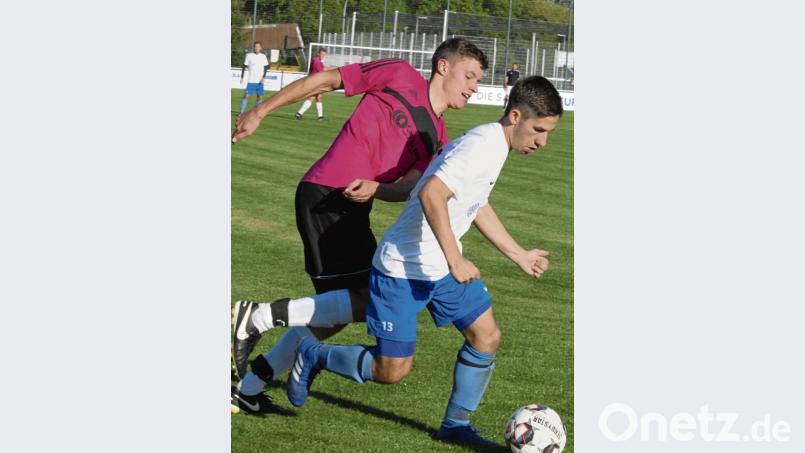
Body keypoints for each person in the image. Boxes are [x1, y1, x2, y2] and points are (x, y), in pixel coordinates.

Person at [284, 76, 563, 449]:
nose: (542, 141)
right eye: (539, 129)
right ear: (515, 116)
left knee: (486, 336)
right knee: (392, 370)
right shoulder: (482, 146)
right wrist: (454, 258)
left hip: (440, 269)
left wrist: (518, 254)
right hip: (403, 268)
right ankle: (313, 354)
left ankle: (455, 425)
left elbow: (475, 202)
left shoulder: (495, 148)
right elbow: (432, 194)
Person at [230, 39, 489, 413]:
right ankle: (256, 316)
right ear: (443, 67)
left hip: (350, 208)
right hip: (326, 192)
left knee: (334, 314)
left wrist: (378, 188)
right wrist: (261, 111)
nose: (474, 86)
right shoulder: (399, 74)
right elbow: (324, 82)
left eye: (478, 80)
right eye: (469, 75)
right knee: (365, 299)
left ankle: (248, 390)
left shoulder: (438, 139)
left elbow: (410, 188)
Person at [296, 48, 327, 121]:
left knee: (316, 97)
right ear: (318, 54)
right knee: (316, 97)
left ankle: (300, 113)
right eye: (322, 54)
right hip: (315, 82)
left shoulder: (317, 61)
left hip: (315, 82)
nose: (323, 56)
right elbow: (322, 72)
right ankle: (319, 116)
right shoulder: (317, 62)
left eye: (324, 55)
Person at [239, 42, 269, 115]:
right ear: (254, 47)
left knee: (259, 97)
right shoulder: (249, 56)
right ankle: (241, 112)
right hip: (251, 80)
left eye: (258, 47)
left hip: (260, 81)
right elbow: (244, 66)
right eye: (256, 46)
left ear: (261, 48)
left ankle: (256, 112)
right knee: (246, 96)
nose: (257, 48)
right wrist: (242, 77)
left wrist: (263, 78)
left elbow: (266, 68)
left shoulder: (263, 56)